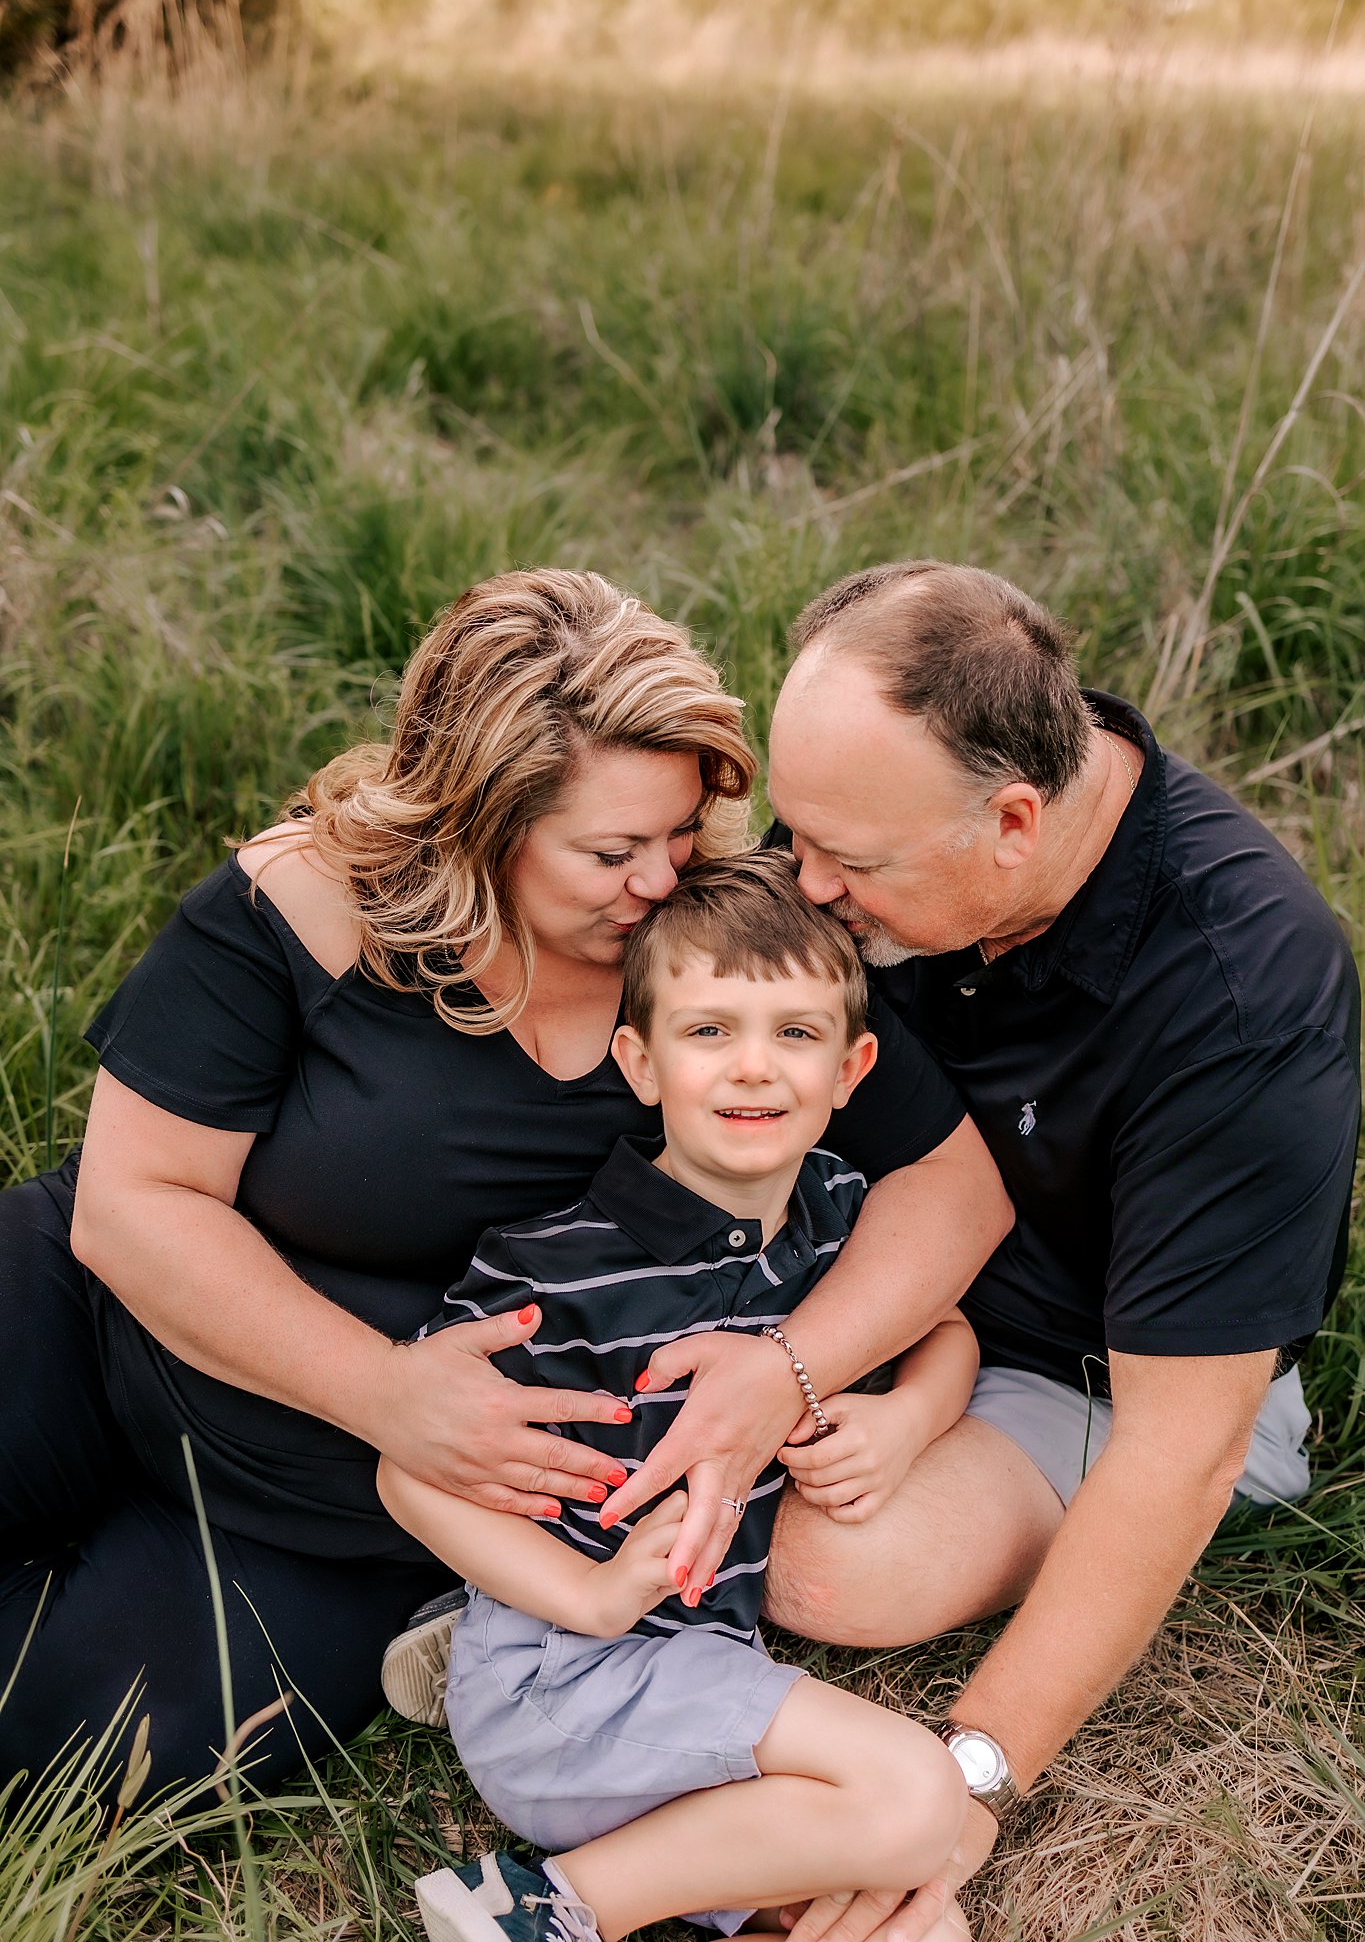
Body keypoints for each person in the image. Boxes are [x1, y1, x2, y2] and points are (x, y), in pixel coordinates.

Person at [0, 566, 1010, 1805]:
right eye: (610, 849)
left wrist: (790, 1365)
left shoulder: (719, 952)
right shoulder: (315, 903)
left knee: (65, 1749)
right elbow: (130, 1203)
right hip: (91, 1322)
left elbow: (956, 1188)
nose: (658, 881)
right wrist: (383, 1389)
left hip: (346, 1519)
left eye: (682, 831)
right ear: (480, 819)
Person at [692, 557, 1356, 1940]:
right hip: (872, 1271)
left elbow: (1185, 1444)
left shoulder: (1242, 991)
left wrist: (967, 1782)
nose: (802, 885)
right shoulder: (900, 820)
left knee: (830, 1573)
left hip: (1087, 1373)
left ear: (1011, 824)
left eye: (849, 864)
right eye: (792, 833)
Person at [377, 852, 980, 1942]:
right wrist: (595, 1594)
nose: (754, 1068)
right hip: (567, 1674)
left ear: (853, 1068)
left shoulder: (840, 1215)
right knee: (917, 1796)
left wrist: (910, 1415)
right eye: (710, 1032)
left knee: (914, 1918)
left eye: (794, 1033)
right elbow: (407, 1468)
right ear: (640, 1061)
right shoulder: (556, 1272)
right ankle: (541, 1909)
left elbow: (943, 1326)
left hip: (696, 1686)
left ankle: (665, 1898)